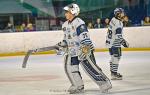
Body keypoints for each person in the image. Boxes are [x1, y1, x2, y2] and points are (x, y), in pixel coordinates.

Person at [57, 3, 112, 94]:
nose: (65, 14)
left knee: (91, 69)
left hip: (83, 50)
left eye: (67, 12)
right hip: (72, 51)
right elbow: (66, 39)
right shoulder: (65, 25)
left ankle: (105, 83)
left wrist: (86, 49)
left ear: (73, 12)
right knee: (71, 69)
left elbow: (85, 38)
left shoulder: (79, 23)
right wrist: (62, 44)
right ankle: (78, 85)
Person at [106, 8, 129, 80]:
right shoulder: (119, 23)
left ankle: (112, 72)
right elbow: (118, 36)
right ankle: (114, 74)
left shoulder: (113, 19)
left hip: (109, 42)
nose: (123, 14)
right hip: (115, 43)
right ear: (118, 14)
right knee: (117, 58)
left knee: (113, 57)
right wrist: (125, 43)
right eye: (122, 13)